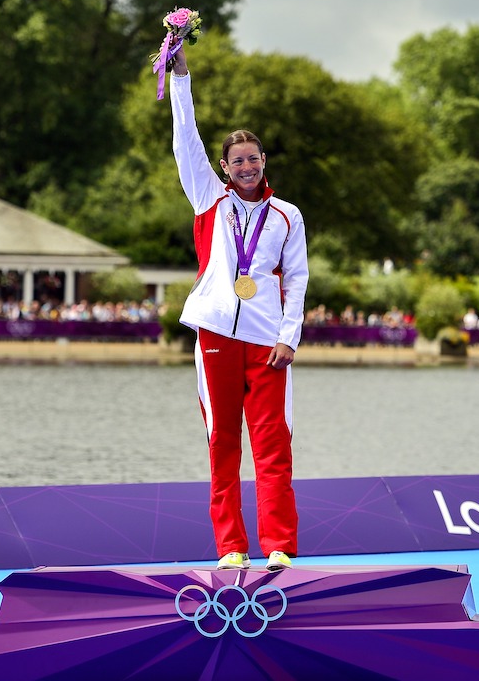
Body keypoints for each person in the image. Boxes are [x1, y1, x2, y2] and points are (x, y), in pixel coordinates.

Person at [167, 44, 309, 572]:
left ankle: (279, 547)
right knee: (222, 442)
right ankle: (231, 547)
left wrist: (288, 336)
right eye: (237, 161)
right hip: (216, 338)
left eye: (255, 158)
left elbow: (297, 279)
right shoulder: (209, 199)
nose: (247, 167)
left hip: (268, 341)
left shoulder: (287, 216)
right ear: (224, 168)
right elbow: (186, 143)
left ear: (264, 162)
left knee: (273, 444)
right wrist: (181, 78)